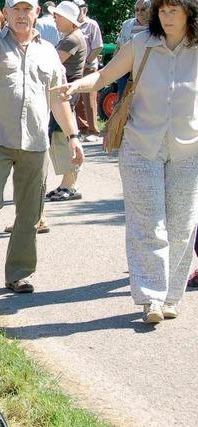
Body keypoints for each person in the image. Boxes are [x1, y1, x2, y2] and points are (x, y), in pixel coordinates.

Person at [54, 0, 198, 323]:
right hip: (141, 146)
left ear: (189, 12)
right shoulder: (141, 44)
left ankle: (172, 295)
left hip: (188, 150)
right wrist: (76, 85)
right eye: (163, 10)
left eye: (174, 10)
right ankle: (151, 299)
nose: (167, 17)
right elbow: (104, 76)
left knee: (182, 224)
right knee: (148, 223)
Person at [0, 0, 84, 296]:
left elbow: (58, 99)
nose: (22, 15)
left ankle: (18, 274)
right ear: (6, 12)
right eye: (16, 9)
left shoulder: (49, 52)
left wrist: (73, 136)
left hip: (35, 142)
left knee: (30, 212)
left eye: (28, 9)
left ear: (37, 13)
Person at [44, 1, 88, 202]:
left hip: (65, 93)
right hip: (64, 92)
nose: (55, 19)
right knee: (60, 136)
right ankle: (66, 183)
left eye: (58, 16)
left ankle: (70, 185)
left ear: (70, 21)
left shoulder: (71, 39)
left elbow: (51, 63)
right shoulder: (71, 37)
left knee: (64, 137)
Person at [72, 0, 103, 142]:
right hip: (75, 67)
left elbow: (98, 47)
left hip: (89, 67)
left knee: (89, 99)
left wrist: (87, 62)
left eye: (77, 8)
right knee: (77, 99)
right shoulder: (73, 24)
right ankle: (83, 129)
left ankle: (94, 131)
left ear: (84, 10)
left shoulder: (92, 24)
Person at [115, 0, 151, 98]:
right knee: (122, 99)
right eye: (137, 10)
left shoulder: (155, 26)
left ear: (150, 10)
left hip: (146, 70)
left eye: (143, 9)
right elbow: (118, 46)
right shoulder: (127, 24)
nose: (139, 12)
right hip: (125, 69)